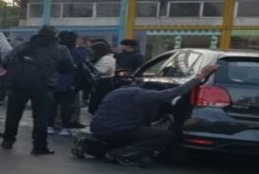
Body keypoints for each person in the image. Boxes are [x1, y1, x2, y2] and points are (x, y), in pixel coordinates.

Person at [88, 64, 220, 166]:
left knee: (134, 133)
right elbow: (175, 92)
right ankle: (120, 154)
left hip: (97, 129)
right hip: (120, 130)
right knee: (166, 136)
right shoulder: (146, 95)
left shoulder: (118, 92)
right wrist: (200, 76)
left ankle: (90, 146)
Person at [0, 26, 76, 155]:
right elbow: (69, 67)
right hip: (43, 86)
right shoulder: (60, 49)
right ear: (55, 36)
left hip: (19, 85)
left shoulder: (25, 46)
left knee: (13, 115)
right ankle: (39, 146)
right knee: (41, 118)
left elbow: (7, 60)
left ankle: (8, 141)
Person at [47, 31, 83, 136]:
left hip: (53, 82)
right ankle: (65, 128)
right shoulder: (75, 52)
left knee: (52, 105)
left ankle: (50, 126)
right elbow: (79, 69)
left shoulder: (54, 51)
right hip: (69, 84)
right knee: (66, 106)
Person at [88, 40, 117, 114]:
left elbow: (104, 70)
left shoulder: (106, 59)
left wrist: (92, 69)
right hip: (103, 82)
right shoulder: (106, 58)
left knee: (99, 101)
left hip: (104, 82)